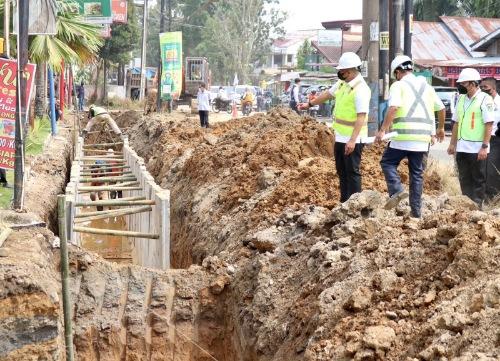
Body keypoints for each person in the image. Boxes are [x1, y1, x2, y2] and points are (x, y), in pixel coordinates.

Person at [375, 55, 446, 218]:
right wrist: (440, 128)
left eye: (396, 74)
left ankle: (397, 190)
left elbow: (393, 108)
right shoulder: (427, 87)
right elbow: (441, 108)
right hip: (423, 140)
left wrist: (383, 130)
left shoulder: (398, 86)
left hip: (402, 136)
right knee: (417, 174)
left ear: (398, 71)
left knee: (387, 162)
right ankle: (416, 212)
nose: (396, 77)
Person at [300, 52, 371, 202]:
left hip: (353, 139)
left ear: (350, 71)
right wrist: (310, 104)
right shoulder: (342, 83)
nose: (339, 74)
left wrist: (352, 140)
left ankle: (355, 204)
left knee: (352, 172)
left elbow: (361, 116)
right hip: (340, 136)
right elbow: (327, 94)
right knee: (342, 171)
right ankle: (344, 202)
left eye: (342, 71)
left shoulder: (361, 89)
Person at [447, 68, 495, 207]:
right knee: (464, 179)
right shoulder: (461, 99)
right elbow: (456, 123)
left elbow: (489, 124)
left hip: (477, 148)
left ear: (473, 83)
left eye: (463, 83)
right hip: (462, 148)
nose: (460, 86)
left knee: (478, 180)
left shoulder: (485, 99)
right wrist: (452, 144)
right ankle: (466, 207)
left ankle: (477, 208)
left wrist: (484, 147)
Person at [480, 77, 500, 201]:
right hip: (481, 139)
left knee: (492, 170)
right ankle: (481, 197)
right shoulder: (480, 101)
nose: (482, 89)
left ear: (493, 88)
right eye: (481, 87)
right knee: (481, 170)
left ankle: (492, 199)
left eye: (485, 87)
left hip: (495, 139)